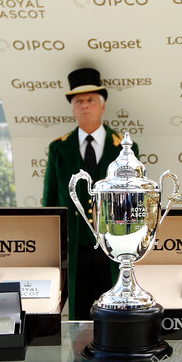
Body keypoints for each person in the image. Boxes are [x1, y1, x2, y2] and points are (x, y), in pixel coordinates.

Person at [43, 67, 139, 320]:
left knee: (116, 309)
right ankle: (79, 358)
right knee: (79, 312)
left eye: (91, 100)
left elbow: (133, 201)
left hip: (114, 244)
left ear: (103, 106)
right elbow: (50, 201)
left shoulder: (125, 147)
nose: (85, 106)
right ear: (73, 108)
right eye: (79, 102)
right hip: (76, 245)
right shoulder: (58, 149)